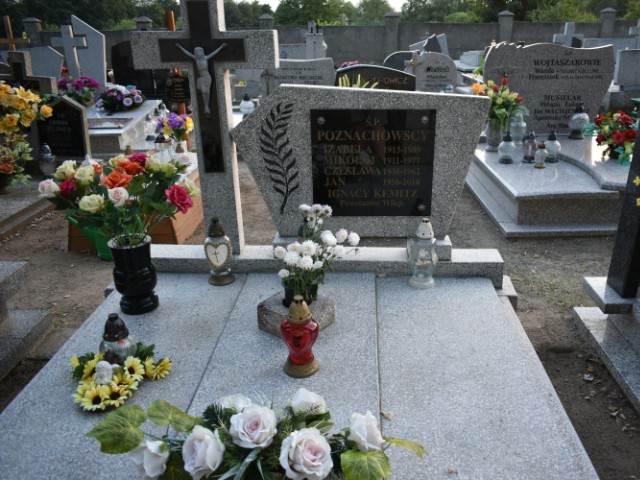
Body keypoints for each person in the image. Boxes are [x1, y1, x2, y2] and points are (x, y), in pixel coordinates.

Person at [175, 42, 227, 117]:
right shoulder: (195, 58)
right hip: (201, 78)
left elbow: (214, 53)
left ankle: (207, 106)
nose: (197, 53)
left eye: (199, 51)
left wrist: (221, 46)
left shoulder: (205, 58)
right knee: (203, 92)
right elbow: (187, 53)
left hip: (207, 77)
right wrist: (180, 47)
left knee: (207, 92)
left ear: (202, 52)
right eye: (196, 52)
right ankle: (206, 106)